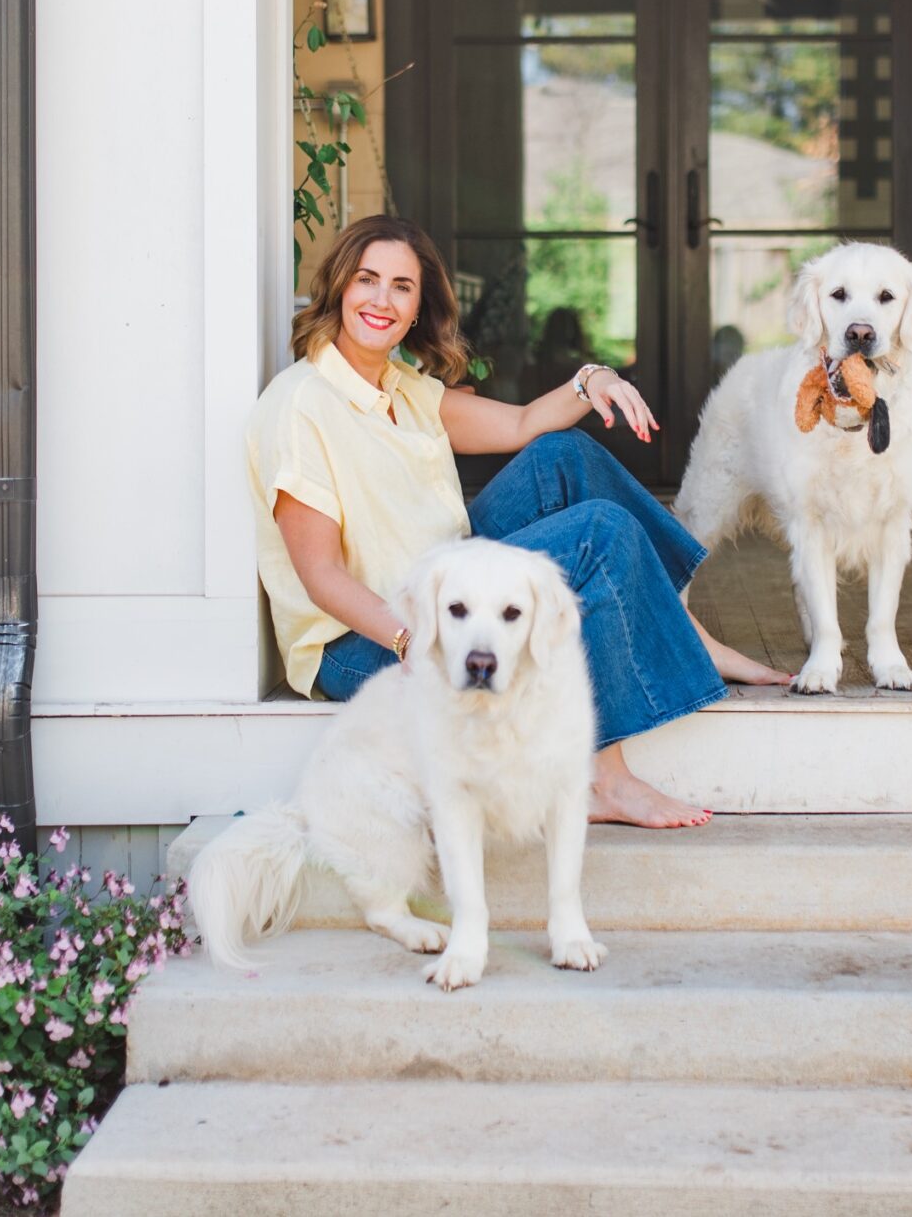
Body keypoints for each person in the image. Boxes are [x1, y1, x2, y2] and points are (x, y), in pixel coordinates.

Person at [248, 215, 791, 828]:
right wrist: (414, 640)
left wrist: (594, 379)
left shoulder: (400, 388)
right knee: (600, 533)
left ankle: (684, 627)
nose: (381, 299)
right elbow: (320, 575)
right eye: (367, 280)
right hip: (364, 644)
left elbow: (522, 424)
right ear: (340, 287)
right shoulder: (302, 404)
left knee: (564, 456)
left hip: (446, 584)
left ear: (418, 304)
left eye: (401, 286)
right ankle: (602, 779)